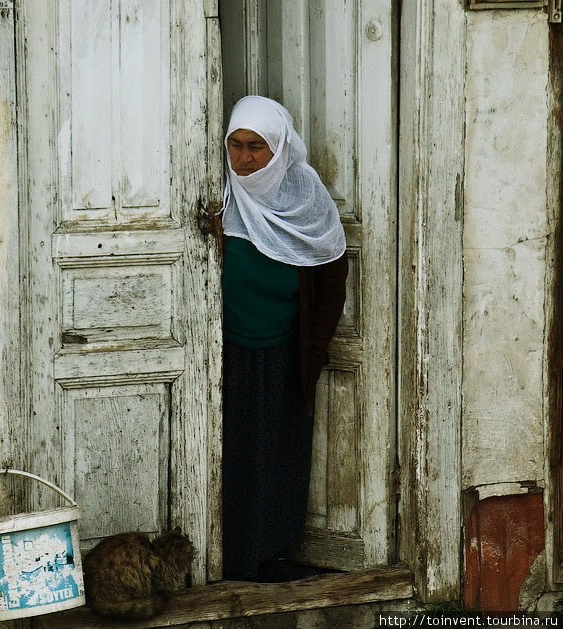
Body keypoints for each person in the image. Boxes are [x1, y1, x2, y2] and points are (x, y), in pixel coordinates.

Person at [219, 95, 349, 582]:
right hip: (225, 353)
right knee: (229, 453)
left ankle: (269, 554)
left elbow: (331, 280)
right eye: (236, 145)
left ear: (280, 149)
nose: (245, 159)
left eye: (258, 148)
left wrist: (312, 355)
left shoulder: (307, 201)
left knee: (279, 454)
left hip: (282, 354)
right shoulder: (220, 199)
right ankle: (226, 556)